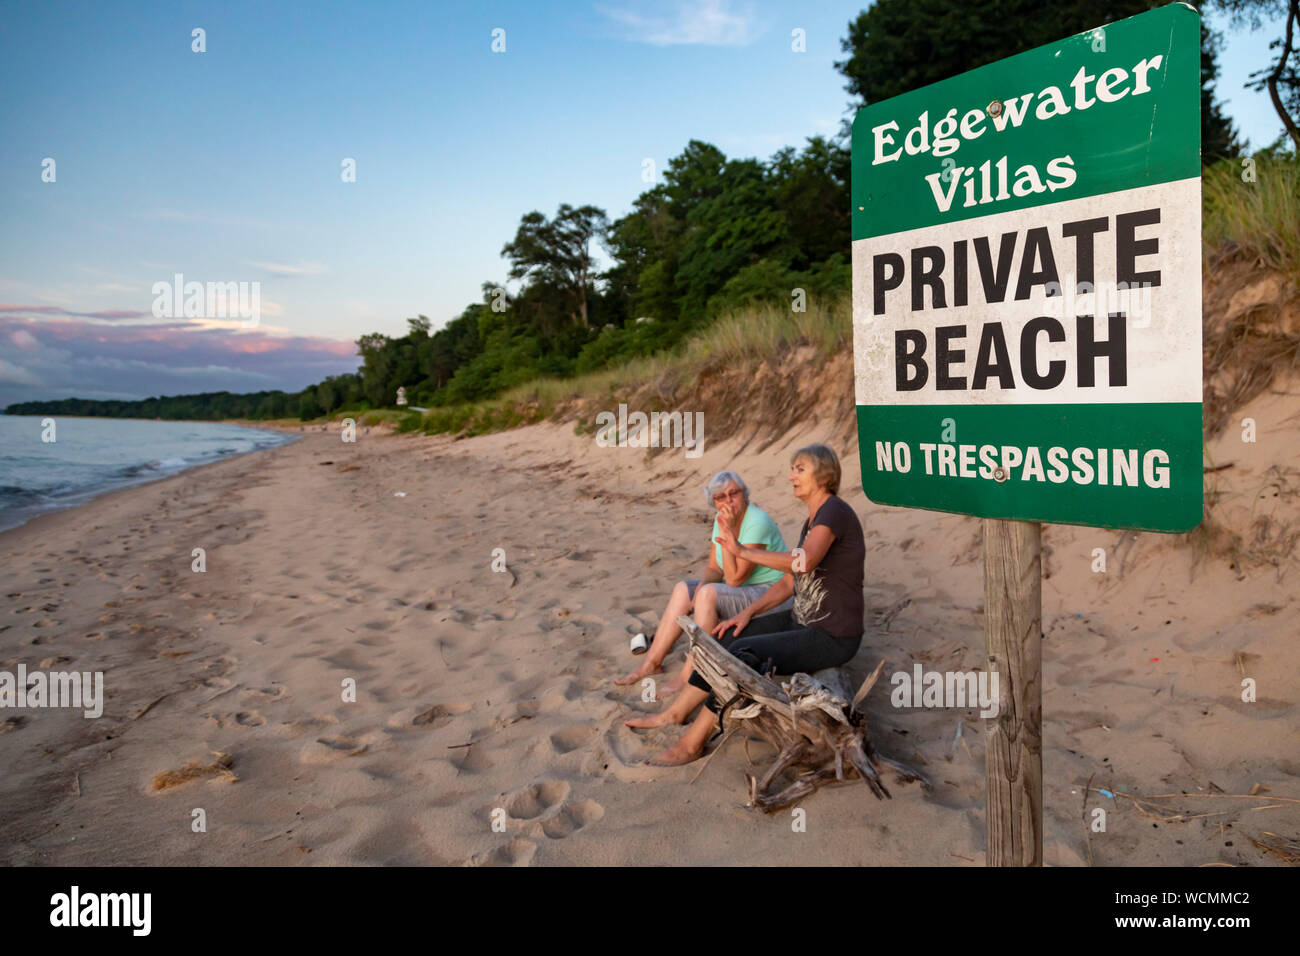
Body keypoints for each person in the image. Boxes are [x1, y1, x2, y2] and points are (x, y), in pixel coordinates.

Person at [633, 444, 866, 767]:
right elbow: (789, 582)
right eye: (792, 469)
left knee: (745, 655)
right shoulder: (814, 518)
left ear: (823, 474)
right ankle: (675, 712)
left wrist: (742, 551)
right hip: (802, 620)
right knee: (722, 637)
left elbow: (803, 561)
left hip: (832, 635)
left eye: (799, 469)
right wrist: (746, 613)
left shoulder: (834, 512)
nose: (791, 476)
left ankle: (692, 743)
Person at [615, 470, 791, 688]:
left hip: (771, 596)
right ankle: (652, 663)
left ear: (745, 494)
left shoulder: (757, 521)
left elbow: (735, 579)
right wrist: (700, 588)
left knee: (708, 595)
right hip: (741, 591)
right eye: (720, 497)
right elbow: (714, 568)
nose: (728, 501)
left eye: (733, 493)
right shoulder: (722, 519)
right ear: (713, 502)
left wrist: (728, 532)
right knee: (684, 589)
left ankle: (689, 673)